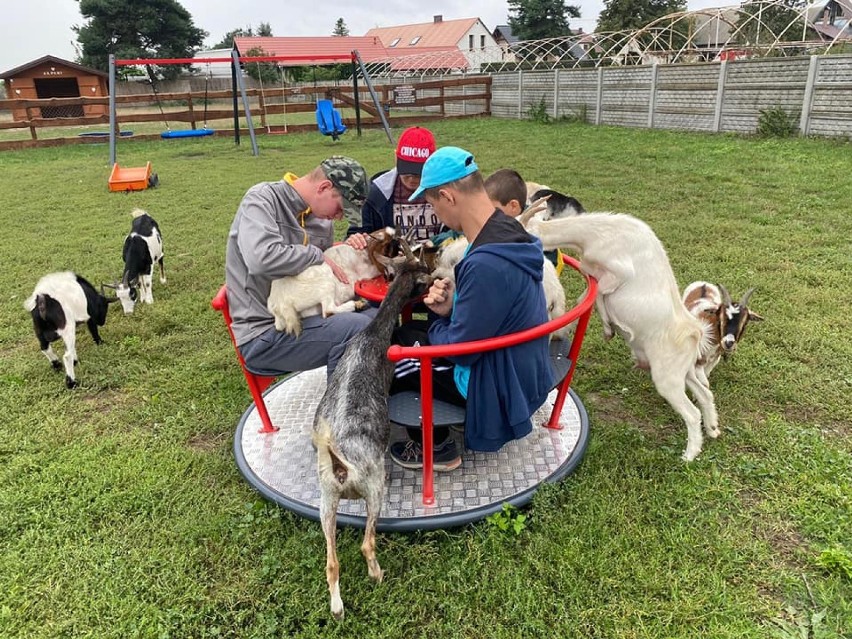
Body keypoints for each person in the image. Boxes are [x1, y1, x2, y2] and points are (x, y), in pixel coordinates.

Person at [388, 147, 554, 471]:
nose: (435, 213)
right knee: (412, 331)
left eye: (432, 203)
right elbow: (491, 311)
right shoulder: (507, 232)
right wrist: (452, 308)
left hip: (498, 383)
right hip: (521, 364)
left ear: (448, 197)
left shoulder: (485, 263)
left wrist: (438, 322)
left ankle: (436, 448)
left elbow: (461, 351)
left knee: (399, 357)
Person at [225, 156, 374, 380]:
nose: (340, 217)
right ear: (324, 187)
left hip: (309, 316)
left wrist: (352, 250)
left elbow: (323, 276)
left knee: (379, 314)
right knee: (359, 328)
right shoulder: (262, 200)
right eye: (341, 208)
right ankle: (338, 411)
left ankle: (370, 393)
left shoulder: (323, 220)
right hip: (264, 331)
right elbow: (261, 259)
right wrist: (316, 255)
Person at [346, 126, 441, 247]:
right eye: (406, 170)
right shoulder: (375, 194)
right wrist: (355, 238)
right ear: (396, 158)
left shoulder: (447, 190)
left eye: (418, 172)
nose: (412, 179)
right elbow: (357, 232)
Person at [484, 168, 564, 274]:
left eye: (492, 209)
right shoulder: (499, 222)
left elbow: (553, 264)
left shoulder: (536, 228)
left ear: (513, 206)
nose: (487, 214)